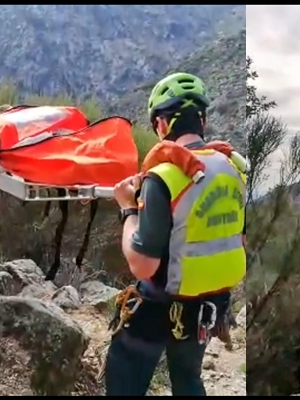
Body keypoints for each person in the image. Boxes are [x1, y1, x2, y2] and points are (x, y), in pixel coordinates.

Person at [105, 72, 247, 396]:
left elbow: (142, 265)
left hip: (161, 304)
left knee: (124, 372)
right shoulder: (233, 170)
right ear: (203, 120)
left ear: (161, 125)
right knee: (187, 379)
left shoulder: (163, 177)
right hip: (209, 304)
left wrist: (128, 208)